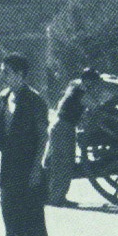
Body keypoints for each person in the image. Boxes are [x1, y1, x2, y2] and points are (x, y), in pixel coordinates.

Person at [0, 53, 57, 236]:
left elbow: (43, 137)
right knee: (10, 218)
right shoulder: (2, 98)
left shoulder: (36, 101)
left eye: (6, 72)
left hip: (29, 167)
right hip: (8, 168)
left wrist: (37, 168)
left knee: (34, 218)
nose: (2, 76)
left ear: (19, 74)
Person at [45, 67, 103, 207]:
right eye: (93, 82)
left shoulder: (75, 87)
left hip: (62, 126)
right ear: (87, 81)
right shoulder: (80, 92)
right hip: (64, 127)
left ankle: (58, 197)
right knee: (62, 164)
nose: (94, 86)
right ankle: (56, 198)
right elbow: (95, 106)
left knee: (61, 162)